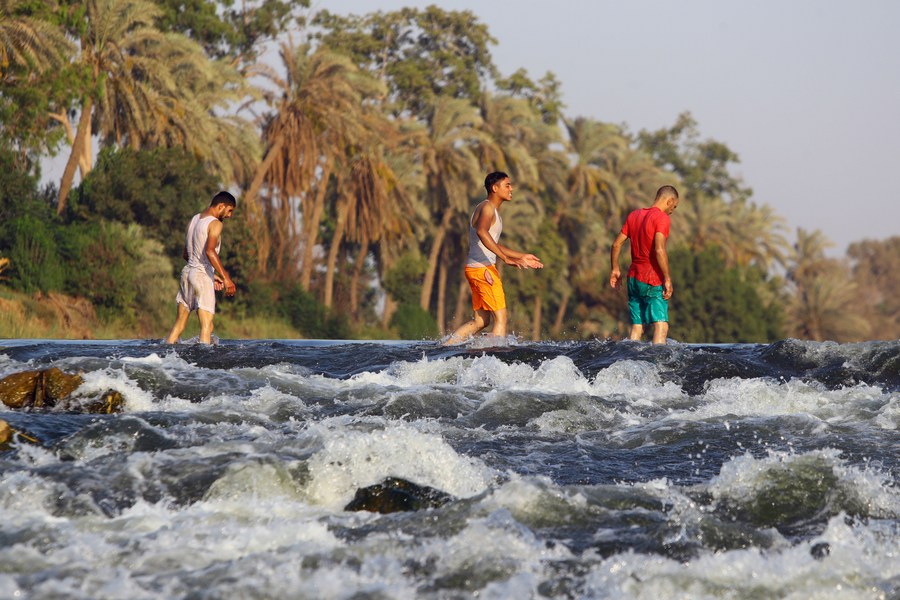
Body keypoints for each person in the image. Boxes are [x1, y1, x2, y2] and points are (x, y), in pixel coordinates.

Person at [444, 172, 544, 345]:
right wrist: (505, 258)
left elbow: (491, 242)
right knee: (501, 317)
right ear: (494, 188)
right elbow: (481, 232)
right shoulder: (487, 208)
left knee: (481, 321)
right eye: (507, 185)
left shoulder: (491, 210)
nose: (511, 189)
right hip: (483, 270)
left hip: (476, 269)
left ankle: (445, 347)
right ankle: (495, 358)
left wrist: (521, 256)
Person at [609, 185, 680, 344]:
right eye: (674, 207)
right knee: (661, 326)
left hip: (633, 279)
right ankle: (657, 364)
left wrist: (615, 269)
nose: (672, 211)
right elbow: (659, 250)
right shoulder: (662, 218)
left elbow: (616, 245)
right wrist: (667, 278)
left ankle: (630, 361)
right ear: (670, 201)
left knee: (636, 327)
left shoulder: (634, 215)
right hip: (652, 278)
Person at [165, 191, 237, 344]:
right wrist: (226, 278)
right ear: (221, 206)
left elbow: (186, 254)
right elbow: (210, 251)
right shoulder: (215, 223)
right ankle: (204, 363)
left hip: (187, 273)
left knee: (179, 324)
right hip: (200, 275)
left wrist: (212, 274)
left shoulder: (194, 220)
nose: (230, 215)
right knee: (206, 326)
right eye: (230, 210)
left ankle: (164, 356)